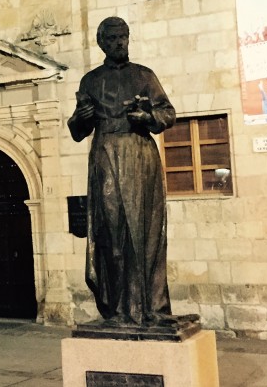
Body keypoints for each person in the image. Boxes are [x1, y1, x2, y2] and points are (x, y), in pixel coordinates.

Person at [68, 17, 176, 326]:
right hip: (105, 154)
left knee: (145, 232)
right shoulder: (90, 80)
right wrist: (81, 117)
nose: (119, 42)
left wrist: (147, 117)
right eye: (112, 38)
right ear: (101, 43)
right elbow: (77, 129)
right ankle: (116, 307)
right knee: (110, 233)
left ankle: (152, 307)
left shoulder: (144, 76)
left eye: (123, 37)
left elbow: (168, 113)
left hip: (140, 155)